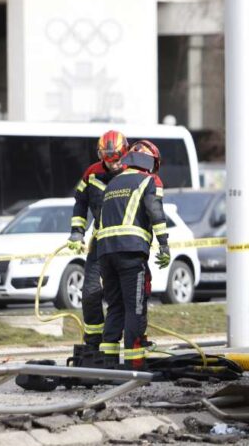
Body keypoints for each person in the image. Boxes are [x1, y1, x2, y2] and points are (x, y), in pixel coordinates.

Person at [96, 140, 170, 370]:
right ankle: (134, 364)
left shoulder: (112, 183)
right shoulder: (147, 180)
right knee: (134, 307)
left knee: (115, 307)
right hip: (130, 252)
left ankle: (108, 363)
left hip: (105, 253)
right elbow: (155, 212)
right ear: (151, 162)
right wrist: (164, 244)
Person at [68, 130, 129, 350]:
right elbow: (80, 203)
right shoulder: (91, 174)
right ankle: (94, 343)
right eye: (109, 157)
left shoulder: (132, 173)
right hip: (99, 243)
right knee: (90, 294)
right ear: (101, 155)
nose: (114, 163)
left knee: (128, 298)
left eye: (117, 157)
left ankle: (131, 341)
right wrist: (77, 231)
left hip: (126, 245)